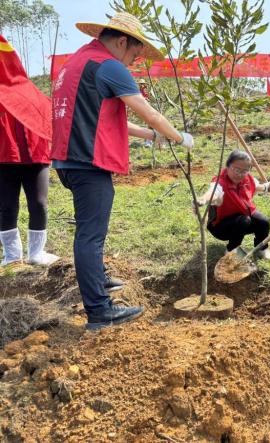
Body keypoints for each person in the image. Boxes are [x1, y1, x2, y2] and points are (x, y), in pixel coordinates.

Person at [51, 12, 194, 331]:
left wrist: (152, 136)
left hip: (68, 160)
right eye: (133, 54)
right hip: (88, 162)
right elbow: (151, 114)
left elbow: (106, 116)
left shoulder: (80, 62)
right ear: (120, 41)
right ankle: (99, 311)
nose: (132, 62)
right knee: (90, 234)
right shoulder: (110, 66)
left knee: (89, 229)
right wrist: (180, 137)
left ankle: (99, 279)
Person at [0, 35, 58, 268]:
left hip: (35, 158)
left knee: (39, 203)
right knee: (6, 206)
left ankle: (37, 253)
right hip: (4, 158)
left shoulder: (30, 90)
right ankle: (12, 256)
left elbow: (48, 117)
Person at [200, 150, 270, 259]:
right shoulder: (220, 183)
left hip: (242, 219)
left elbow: (256, 186)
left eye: (244, 171)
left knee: (263, 222)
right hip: (221, 227)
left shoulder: (247, 179)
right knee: (244, 221)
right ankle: (231, 252)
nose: (240, 174)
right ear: (228, 166)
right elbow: (213, 193)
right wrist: (203, 199)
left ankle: (261, 249)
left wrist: (266, 187)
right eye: (236, 169)